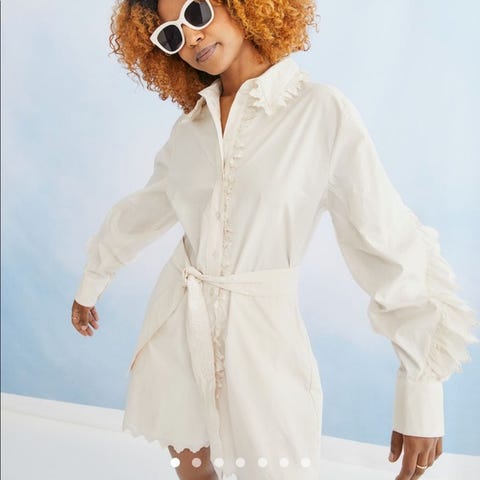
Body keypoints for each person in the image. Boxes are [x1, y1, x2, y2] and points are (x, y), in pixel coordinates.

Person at [70, 1, 479, 479]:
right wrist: (92, 280)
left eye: (197, 12)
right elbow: (141, 211)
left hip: (263, 338)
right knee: (192, 469)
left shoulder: (319, 112)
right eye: (171, 35)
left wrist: (421, 391)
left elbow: (387, 241)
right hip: (180, 323)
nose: (191, 37)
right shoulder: (191, 129)